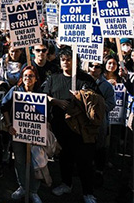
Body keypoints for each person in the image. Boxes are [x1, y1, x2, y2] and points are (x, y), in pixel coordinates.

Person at [43, 47, 103, 203]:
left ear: (75, 61)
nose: (65, 62)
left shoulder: (86, 79)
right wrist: (54, 101)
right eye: (63, 59)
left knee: (84, 160)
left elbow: (98, 102)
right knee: (65, 157)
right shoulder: (53, 78)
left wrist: (81, 99)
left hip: (81, 128)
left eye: (69, 59)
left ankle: (88, 192)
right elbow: (43, 96)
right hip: (60, 126)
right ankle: (66, 183)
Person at [1, 66, 43, 203]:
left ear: (36, 78)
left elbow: (47, 113)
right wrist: (9, 125)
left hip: (35, 133)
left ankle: (34, 191)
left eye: (31, 76)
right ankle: (23, 187)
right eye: (25, 76)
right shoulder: (15, 90)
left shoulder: (41, 92)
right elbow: (4, 107)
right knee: (19, 160)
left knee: (35, 162)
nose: (28, 79)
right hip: (17, 132)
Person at [86, 61, 116, 186]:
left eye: (97, 66)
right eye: (91, 66)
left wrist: (98, 107)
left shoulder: (107, 86)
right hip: (85, 120)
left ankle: (99, 171)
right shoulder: (83, 81)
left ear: (101, 69)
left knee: (100, 146)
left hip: (101, 121)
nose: (94, 69)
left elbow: (111, 104)